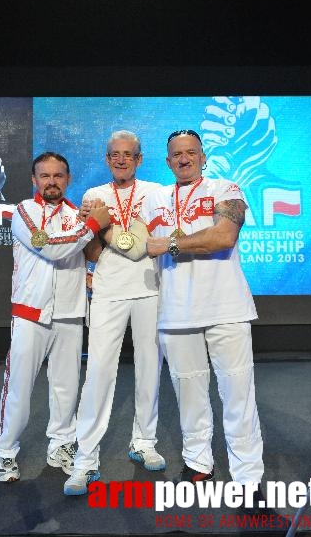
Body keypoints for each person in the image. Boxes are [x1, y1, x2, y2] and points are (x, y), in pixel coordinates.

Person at [102, 129, 264, 495]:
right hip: (175, 312)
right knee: (189, 397)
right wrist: (103, 227)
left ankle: (249, 479)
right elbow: (137, 247)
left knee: (238, 396)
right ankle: (198, 465)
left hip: (227, 308)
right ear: (167, 161)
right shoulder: (154, 198)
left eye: (191, 152)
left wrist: (171, 243)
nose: (184, 158)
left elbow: (223, 238)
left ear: (203, 157)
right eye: (177, 154)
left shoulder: (225, 189)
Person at [0, 152, 111, 482]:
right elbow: (53, 248)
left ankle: (61, 446)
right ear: (34, 180)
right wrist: (91, 226)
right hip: (30, 314)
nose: (51, 182)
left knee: (66, 389)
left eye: (58, 176)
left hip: (70, 314)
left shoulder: (77, 214)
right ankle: (5, 452)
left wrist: (91, 231)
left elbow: (86, 252)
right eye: (44, 176)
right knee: (18, 388)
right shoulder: (22, 212)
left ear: (68, 180)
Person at [64, 130, 165, 496]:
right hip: (107, 291)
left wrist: (111, 229)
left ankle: (144, 441)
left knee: (149, 368)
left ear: (139, 159)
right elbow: (90, 249)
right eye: (114, 155)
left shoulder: (156, 193)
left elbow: (147, 246)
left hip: (149, 288)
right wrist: (101, 234)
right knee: (98, 374)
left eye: (128, 154)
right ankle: (85, 460)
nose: (121, 160)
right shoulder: (94, 196)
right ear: (107, 159)